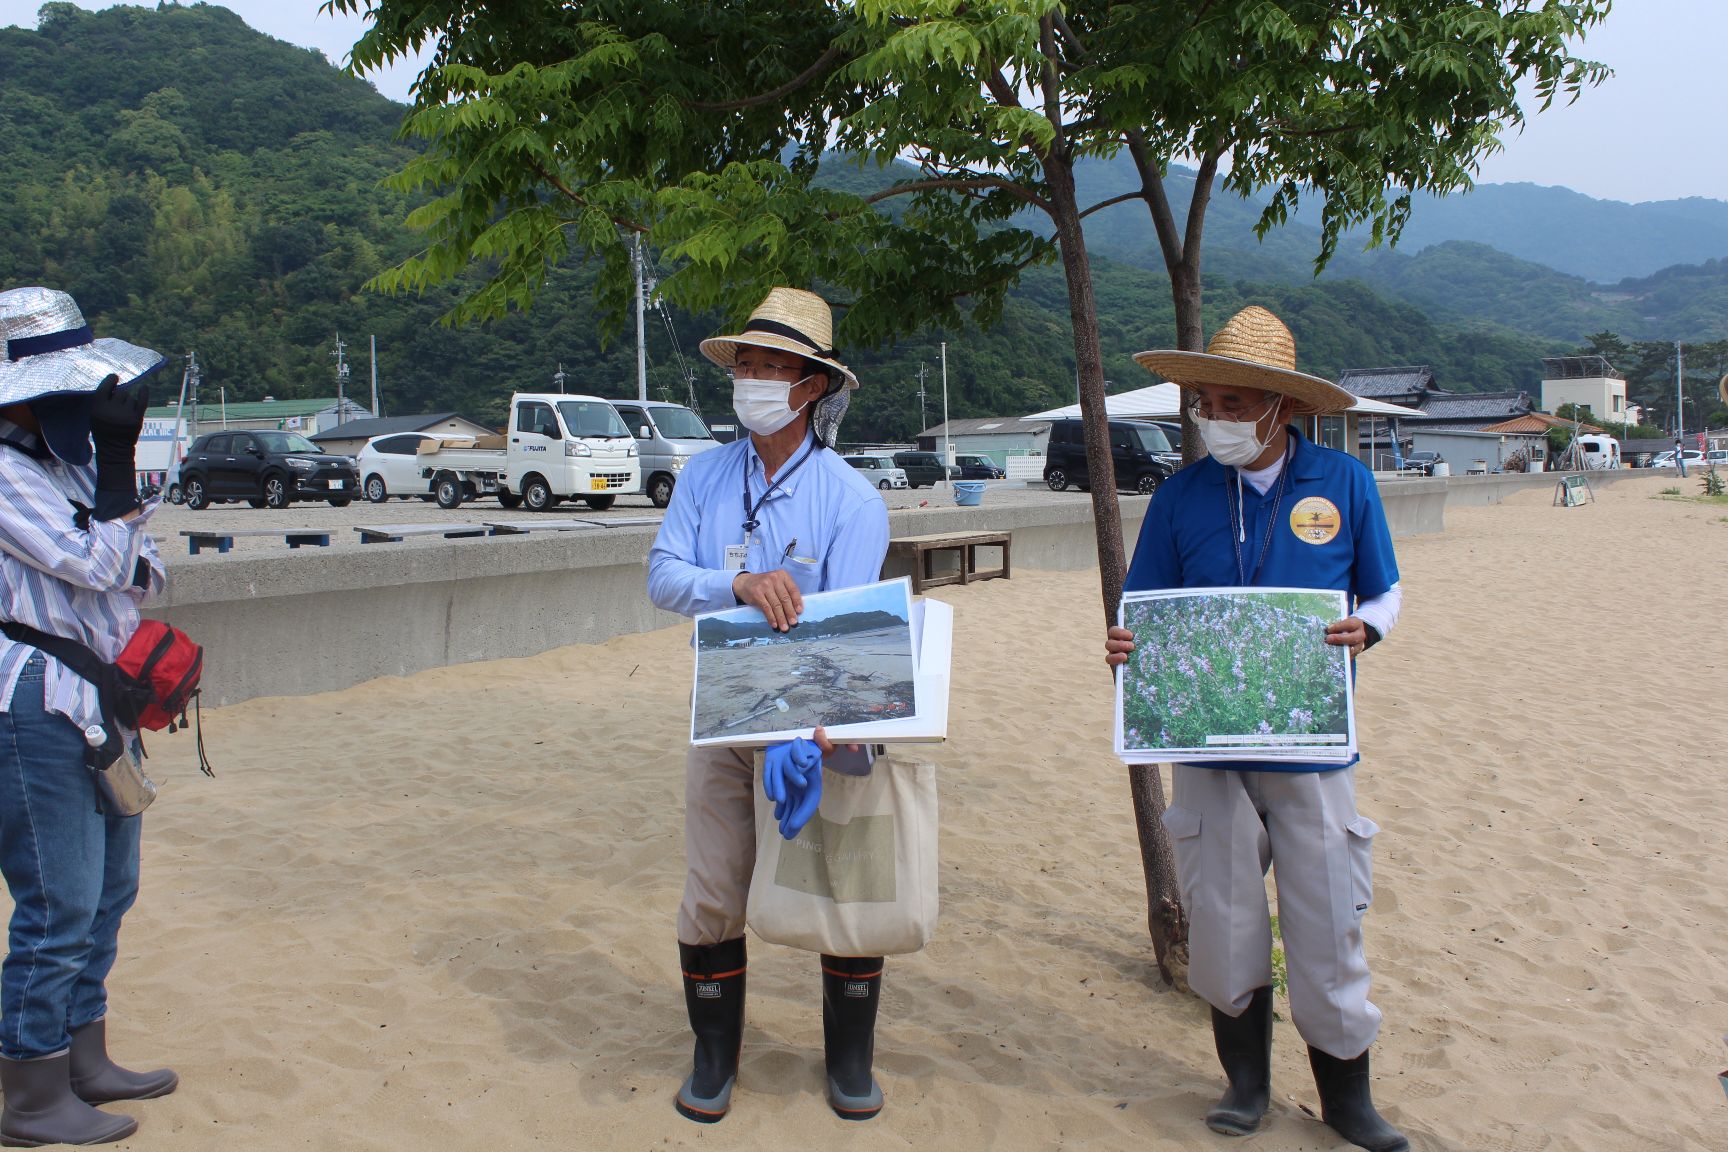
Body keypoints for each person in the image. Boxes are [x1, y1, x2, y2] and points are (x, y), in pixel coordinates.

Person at [1104, 306, 1409, 1152]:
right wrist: (1129, 643)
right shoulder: (1179, 495)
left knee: (1326, 920)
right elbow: (1147, 606)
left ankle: (1348, 1097)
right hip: (1211, 750)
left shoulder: (1345, 483)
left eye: (1238, 404)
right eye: (1208, 402)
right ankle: (1244, 1084)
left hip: (1312, 750)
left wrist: (1368, 629)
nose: (1219, 418)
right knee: (1227, 917)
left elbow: (1385, 589)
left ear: (1284, 408)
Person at [646, 287, 892, 1124]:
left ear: (813, 387)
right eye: (745, 365)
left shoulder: (851, 498)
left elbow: (858, 630)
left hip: (819, 720)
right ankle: (714, 1058)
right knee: (713, 887)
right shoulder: (705, 476)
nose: (751, 380)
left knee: (842, 889)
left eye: (771, 367)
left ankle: (849, 1063)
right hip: (721, 709)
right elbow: (662, 575)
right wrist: (737, 582)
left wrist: (825, 730)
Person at [0, 286, 179, 1146]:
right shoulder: (4, 471)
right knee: (58, 898)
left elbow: (144, 575)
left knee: (111, 887)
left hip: (101, 696)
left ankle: (82, 1055)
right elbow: (95, 559)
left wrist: (113, 497)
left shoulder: (64, 466)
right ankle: (31, 1094)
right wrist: (118, 471)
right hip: (35, 699)